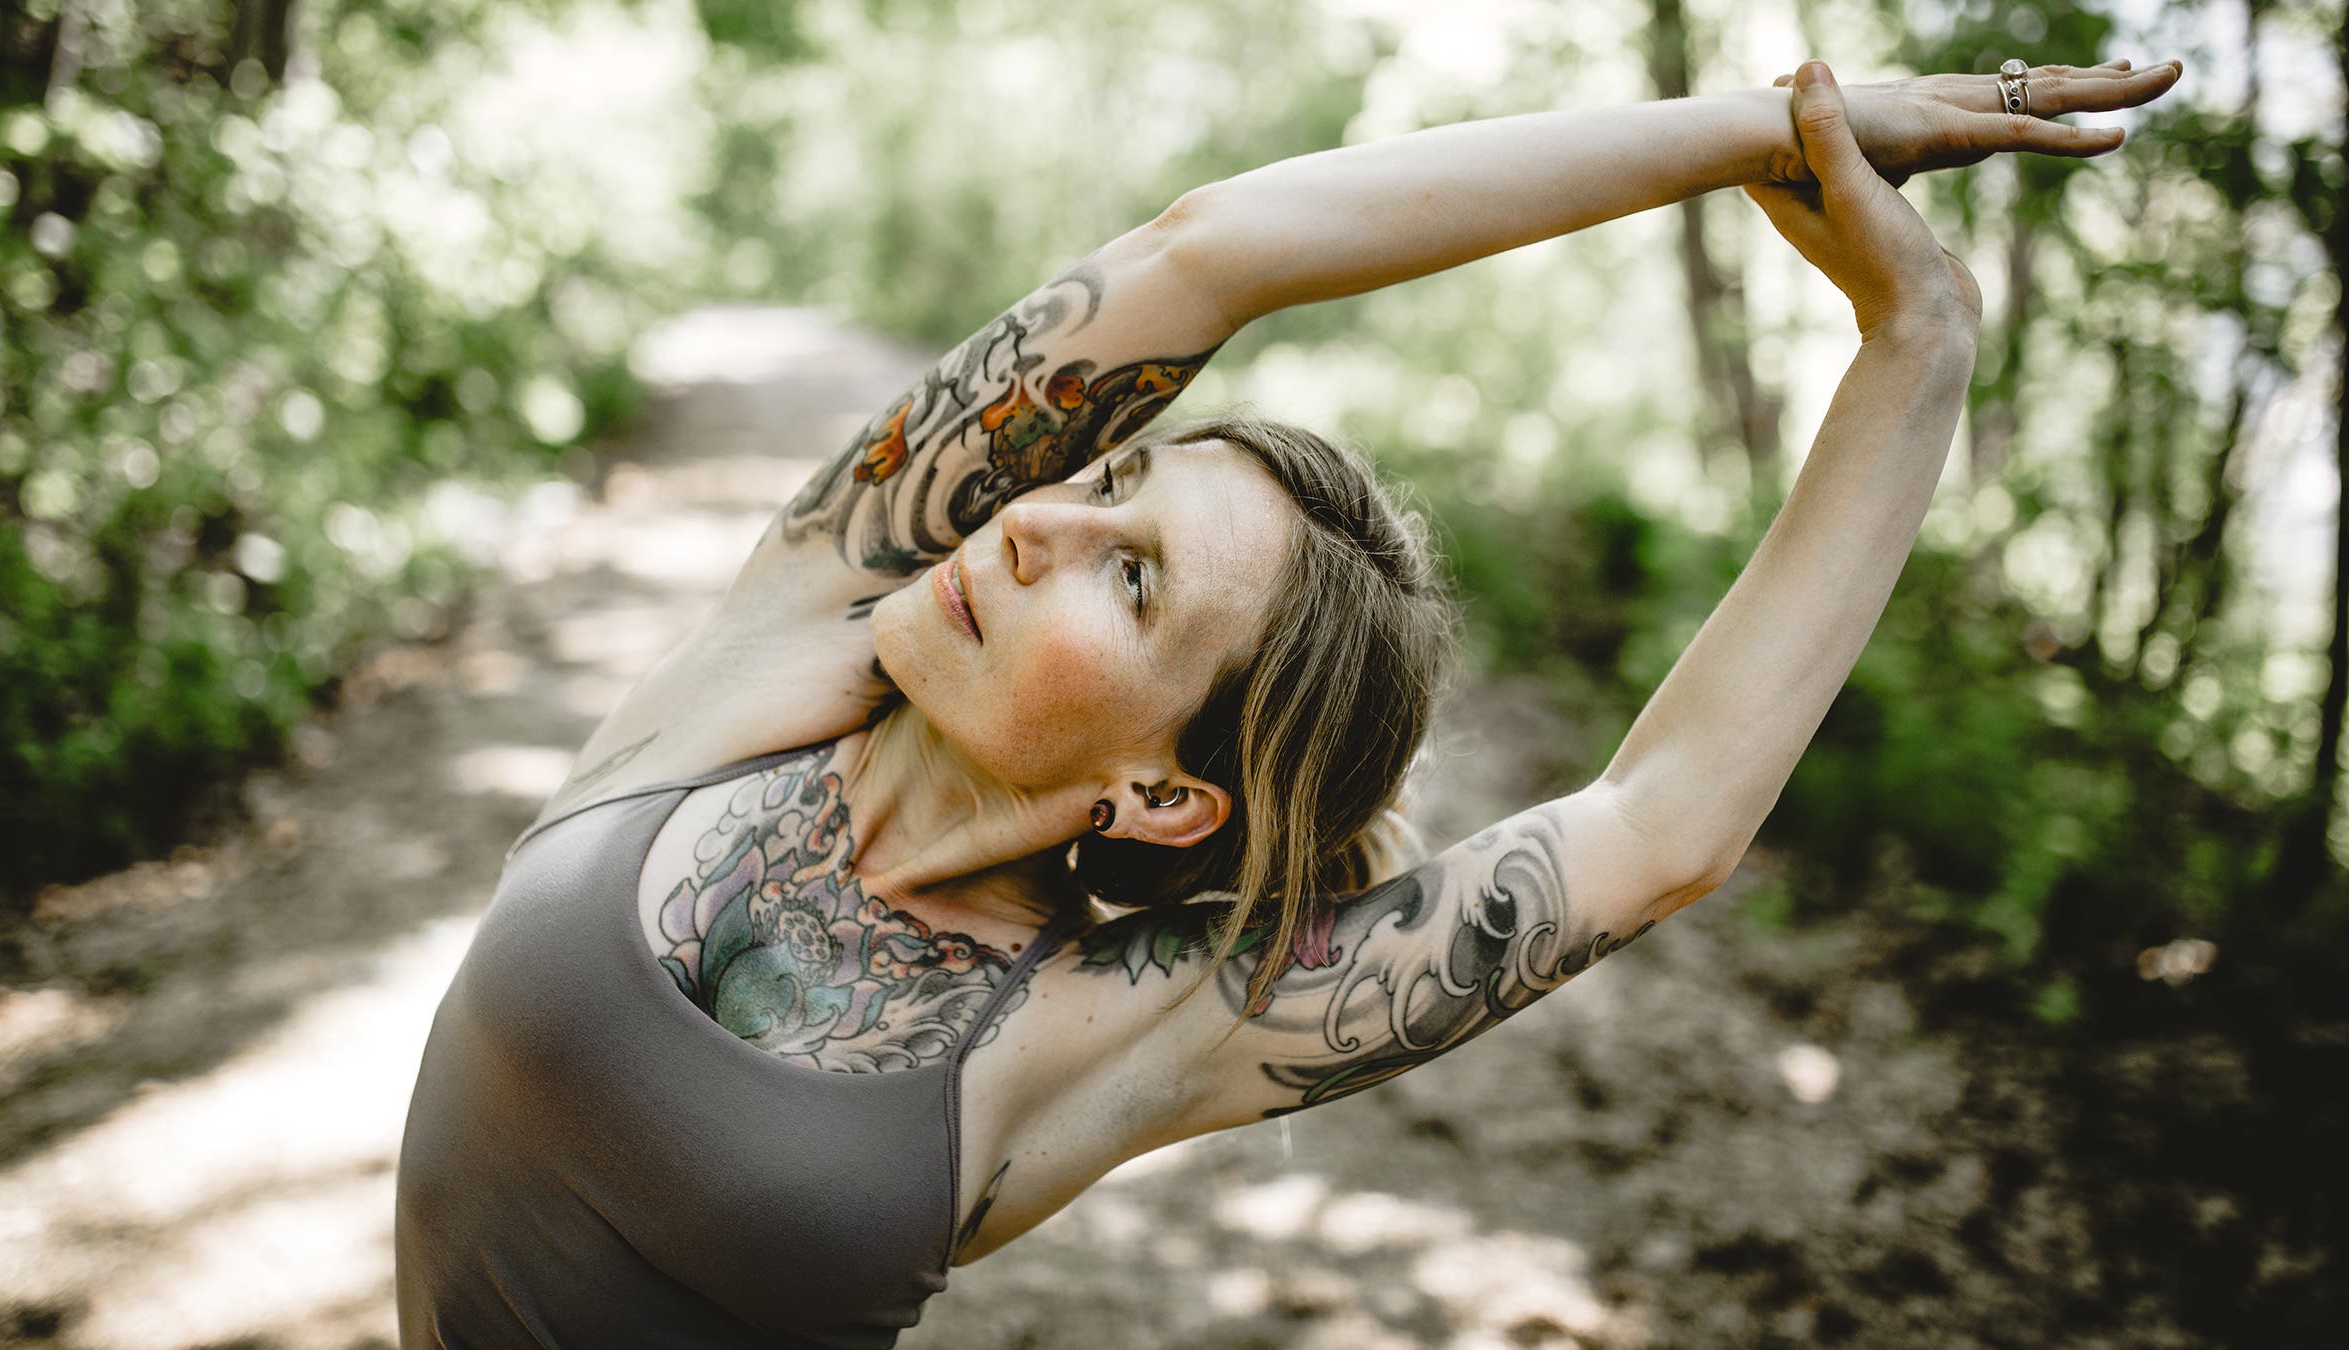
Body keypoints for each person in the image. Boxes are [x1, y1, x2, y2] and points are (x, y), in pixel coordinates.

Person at [395, 55, 2181, 1347]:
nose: (1035, 524)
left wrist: (1918, 342)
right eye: (1106, 485)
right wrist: (1770, 125)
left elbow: (1656, 827)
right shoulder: (794, 639)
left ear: (1169, 796)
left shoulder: (1110, 1025)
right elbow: (1209, 254)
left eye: (1134, 574)